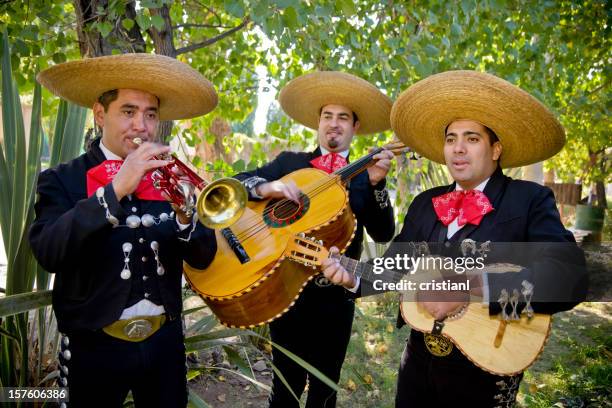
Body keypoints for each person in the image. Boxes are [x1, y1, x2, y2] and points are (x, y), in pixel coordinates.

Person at [321, 70, 588, 407]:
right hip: (419, 358)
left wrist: (471, 287)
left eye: (472, 138)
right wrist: (351, 277)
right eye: (451, 139)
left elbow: (569, 276)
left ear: (495, 149)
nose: (458, 149)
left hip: (488, 364)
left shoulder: (529, 200)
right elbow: (397, 265)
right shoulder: (425, 204)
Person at [29, 53, 219, 408]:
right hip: (93, 346)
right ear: (100, 115)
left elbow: (204, 257)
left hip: (164, 344)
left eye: (150, 114)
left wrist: (184, 216)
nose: (141, 126)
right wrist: (114, 190)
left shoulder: (169, 180)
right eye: (128, 112)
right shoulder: (61, 179)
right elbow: (47, 252)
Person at [234, 71, 396, 407]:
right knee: (285, 389)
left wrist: (378, 185)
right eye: (327, 116)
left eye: (343, 118)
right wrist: (266, 187)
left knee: (325, 391)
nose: (333, 124)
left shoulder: (367, 177)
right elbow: (240, 182)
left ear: (355, 128)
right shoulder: (291, 163)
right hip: (285, 291)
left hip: (334, 299)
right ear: (318, 123)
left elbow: (383, 233)